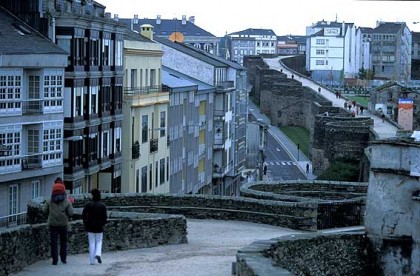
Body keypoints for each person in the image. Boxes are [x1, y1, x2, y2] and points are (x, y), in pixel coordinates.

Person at [43, 177, 74, 265]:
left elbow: (44, 211)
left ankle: (55, 260)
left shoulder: (49, 201)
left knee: (54, 242)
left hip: (53, 224)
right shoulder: (67, 201)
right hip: (63, 224)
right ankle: (63, 259)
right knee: (63, 241)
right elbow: (71, 213)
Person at [82, 188, 107, 265]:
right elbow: (105, 217)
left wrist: (85, 223)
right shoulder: (102, 205)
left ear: (93, 195)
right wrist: (102, 223)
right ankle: (98, 254)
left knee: (92, 243)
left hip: (90, 226)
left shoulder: (88, 205)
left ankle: (92, 261)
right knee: (99, 241)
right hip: (99, 226)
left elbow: (83, 214)